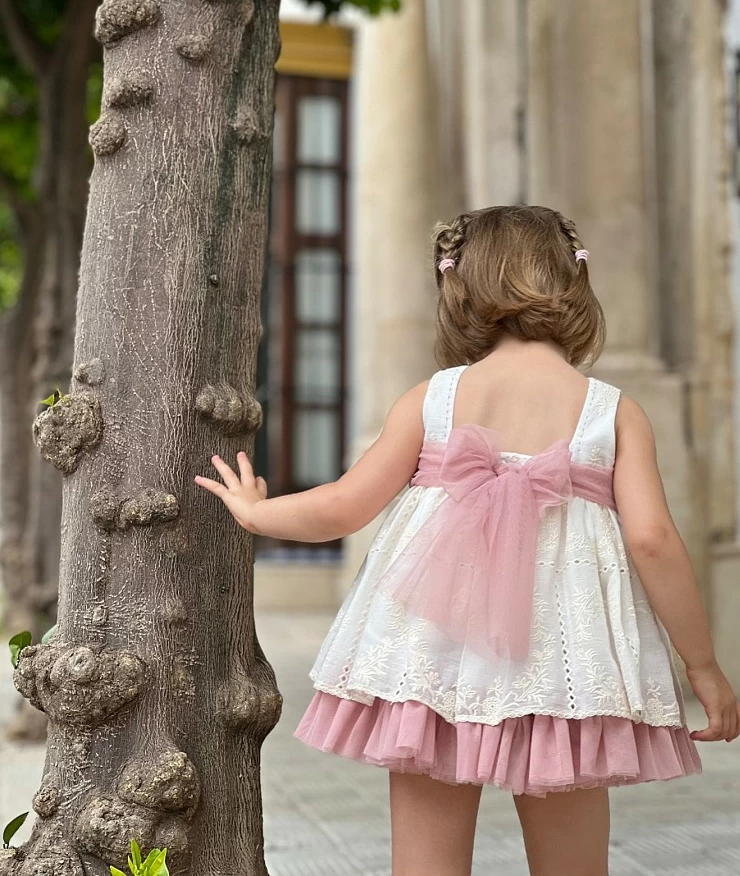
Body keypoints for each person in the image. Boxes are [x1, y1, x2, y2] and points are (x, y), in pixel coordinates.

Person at [195, 205, 740, 876]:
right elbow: (654, 540)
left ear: (458, 291)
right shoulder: (613, 411)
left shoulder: (435, 399)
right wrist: (704, 667)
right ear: (577, 285)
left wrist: (259, 513)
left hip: (434, 664)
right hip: (563, 671)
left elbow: (347, 505)